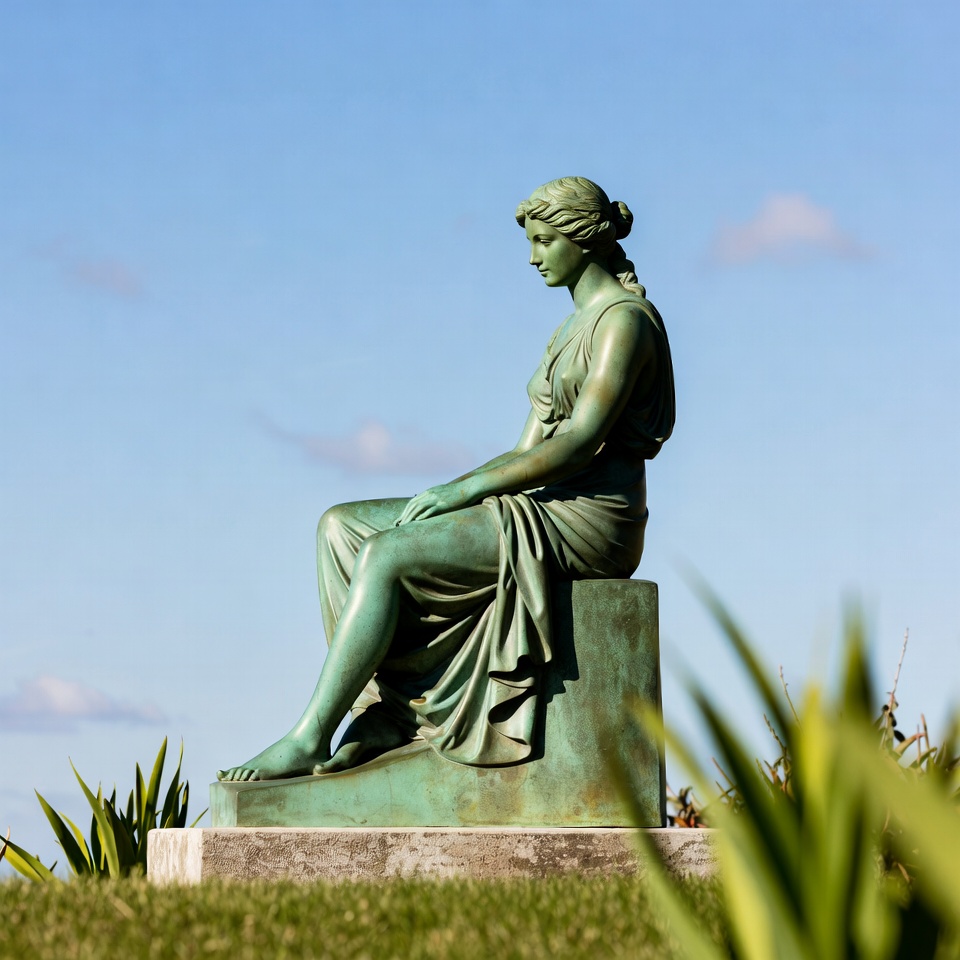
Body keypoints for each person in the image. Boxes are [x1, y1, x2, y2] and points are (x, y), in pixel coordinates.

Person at [217, 177, 675, 782]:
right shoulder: (567, 330)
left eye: (543, 241)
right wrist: (444, 494)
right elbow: (525, 450)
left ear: (583, 239)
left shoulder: (625, 322)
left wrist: (460, 493)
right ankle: (387, 709)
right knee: (341, 528)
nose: (533, 257)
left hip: (591, 521)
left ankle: (310, 736)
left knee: (386, 555)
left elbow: (579, 441)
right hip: (541, 502)